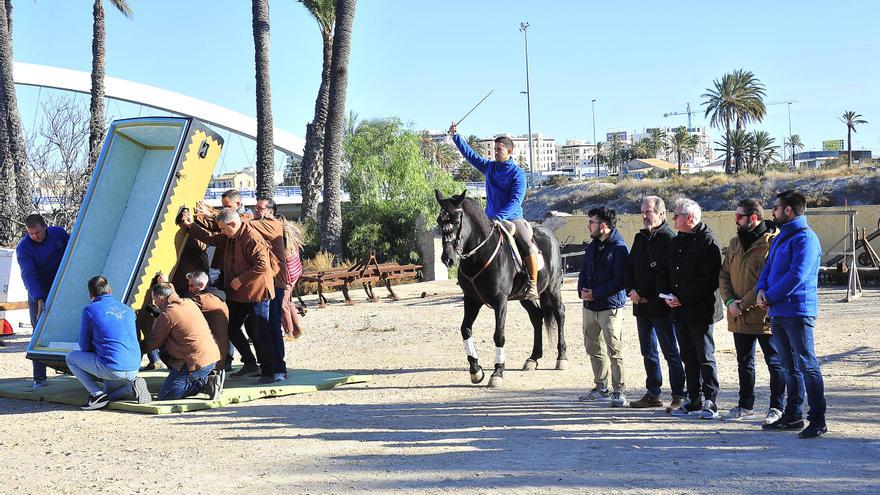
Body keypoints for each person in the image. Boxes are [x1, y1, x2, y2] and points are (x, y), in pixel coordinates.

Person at [756, 190, 827, 439]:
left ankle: (818, 419)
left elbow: (797, 276)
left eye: (775, 208)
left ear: (788, 210)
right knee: (789, 367)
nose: (772, 212)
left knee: (807, 365)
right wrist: (761, 291)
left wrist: (770, 295)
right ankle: (793, 415)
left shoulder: (805, 239)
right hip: (778, 311)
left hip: (798, 312)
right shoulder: (781, 237)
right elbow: (768, 268)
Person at [183, 207, 279, 383]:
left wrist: (240, 280)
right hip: (238, 294)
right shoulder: (230, 236)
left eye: (224, 228)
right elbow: (211, 239)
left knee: (260, 332)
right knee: (230, 327)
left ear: (233, 224)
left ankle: (269, 373)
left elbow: (262, 265)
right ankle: (250, 363)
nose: (222, 232)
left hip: (256, 294)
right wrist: (190, 226)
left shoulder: (252, 238)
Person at [449, 123, 540, 301]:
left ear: (509, 152)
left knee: (528, 245)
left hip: (512, 219)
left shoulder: (518, 174)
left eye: (499, 149)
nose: (495, 152)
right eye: (494, 149)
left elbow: (516, 201)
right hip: (489, 218)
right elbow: (470, 155)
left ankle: (533, 284)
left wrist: (500, 216)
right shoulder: (489, 167)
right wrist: (455, 136)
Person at [719, 199, 786, 424]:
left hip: (764, 315)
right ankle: (745, 405)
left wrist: (743, 303)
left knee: (775, 362)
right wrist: (729, 301)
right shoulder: (735, 243)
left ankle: (777, 407)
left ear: (753, 218)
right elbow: (724, 275)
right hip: (739, 314)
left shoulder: (772, 243)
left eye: (739, 217)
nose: (736, 220)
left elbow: (764, 281)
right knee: (744, 362)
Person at [659, 198, 723, 420]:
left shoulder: (708, 242)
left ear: (690, 218)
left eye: (676, 215)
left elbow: (709, 280)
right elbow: (665, 272)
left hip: (700, 310)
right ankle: (693, 398)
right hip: (679, 310)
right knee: (687, 356)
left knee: (704, 356)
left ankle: (710, 400)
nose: (673, 218)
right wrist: (667, 295)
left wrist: (682, 298)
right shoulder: (676, 242)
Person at [625, 196, 685, 412]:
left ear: (661, 214)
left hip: (661, 307)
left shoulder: (669, 239)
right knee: (648, 351)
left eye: (648, 211)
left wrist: (645, 294)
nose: (644, 216)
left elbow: (664, 275)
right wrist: (631, 291)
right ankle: (653, 392)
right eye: (642, 211)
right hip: (640, 305)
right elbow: (630, 267)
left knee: (671, 351)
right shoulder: (640, 238)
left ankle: (679, 394)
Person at [65, 276, 150, 410]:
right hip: (134, 366)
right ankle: (131, 388)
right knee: (109, 395)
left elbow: (84, 345)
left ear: (91, 295)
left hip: (112, 367)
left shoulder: (90, 310)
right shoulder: (128, 309)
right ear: (110, 290)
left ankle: (96, 394)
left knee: (70, 358)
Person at [577, 207, 629, 407]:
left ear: (604, 226)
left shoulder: (619, 248)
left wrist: (596, 293)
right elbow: (583, 272)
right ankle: (601, 387)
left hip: (609, 307)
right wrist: (582, 290)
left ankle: (619, 391)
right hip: (589, 307)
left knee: (614, 350)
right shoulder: (592, 246)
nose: (588, 226)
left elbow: (620, 280)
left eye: (592, 222)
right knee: (593, 348)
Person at [142, 283, 223, 400]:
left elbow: (154, 341)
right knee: (164, 352)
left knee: (166, 394)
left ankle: (205, 384)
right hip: (211, 357)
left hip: (196, 362)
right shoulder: (189, 302)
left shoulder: (168, 314)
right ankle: (205, 377)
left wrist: (137, 350)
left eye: (154, 300)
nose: (154, 303)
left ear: (159, 299)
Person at [16, 214, 69, 388]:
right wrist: (38, 297)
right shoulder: (24, 247)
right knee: (38, 333)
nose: (35, 236)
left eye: (37, 232)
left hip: (63, 288)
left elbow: (75, 253)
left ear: (45, 226)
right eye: (31, 234)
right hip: (39, 292)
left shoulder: (59, 234)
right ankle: (39, 377)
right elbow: (28, 275)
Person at [248, 198, 288, 379]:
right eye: (255, 208)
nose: (256, 211)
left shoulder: (272, 225)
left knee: (272, 325)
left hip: (275, 283)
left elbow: (242, 222)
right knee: (256, 324)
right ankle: (267, 365)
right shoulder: (262, 224)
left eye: (260, 208)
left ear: (270, 211)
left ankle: (279, 368)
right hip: (266, 283)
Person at [186, 271, 230, 371]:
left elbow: (178, 309)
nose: (189, 289)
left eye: (192, 286)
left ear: (201, 285)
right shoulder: (215, 296)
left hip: (210, 359)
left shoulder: (204, 300)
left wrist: (166, 286)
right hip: (216, 355)